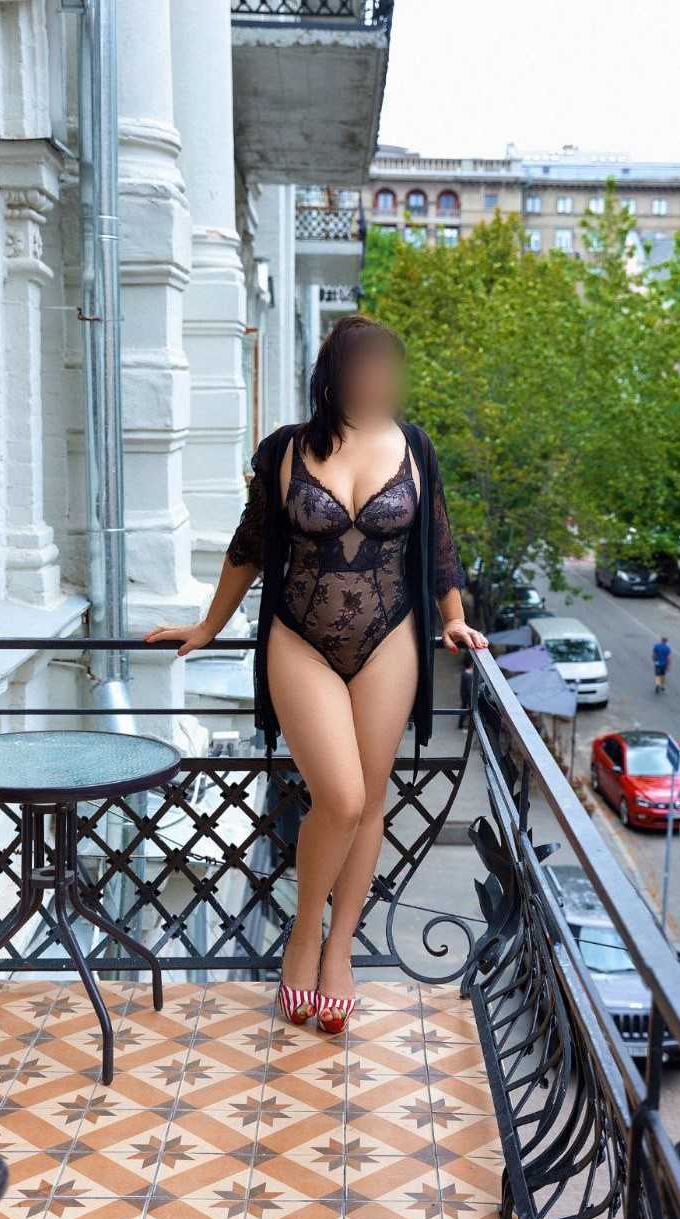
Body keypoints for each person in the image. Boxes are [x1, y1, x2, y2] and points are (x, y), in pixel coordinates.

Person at [145, 315, 487, 1034]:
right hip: (298, 637)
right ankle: (304, 934)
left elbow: (438, 541)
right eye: (365, 367)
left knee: (370, 800)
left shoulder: (415, 446)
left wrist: (453, 617)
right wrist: (208, 627)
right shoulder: (285, 449)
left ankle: (339, 950)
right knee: (340, 794)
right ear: (333, 375)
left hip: (390, 637)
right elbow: (249, 545)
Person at [458, 654, 474, 728]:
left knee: (464, 707)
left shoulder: (464, 672)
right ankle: (464, 725)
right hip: (467, 695)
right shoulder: (469, 675)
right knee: (468, 709)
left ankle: (460, 724)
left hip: (463, 693)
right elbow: (469, 687)